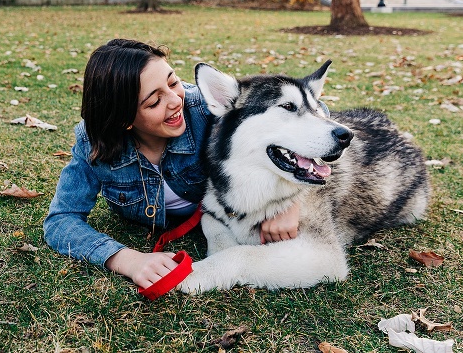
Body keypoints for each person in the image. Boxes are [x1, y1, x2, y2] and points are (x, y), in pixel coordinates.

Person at [44, 39, 300, 290]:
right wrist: (125, 259)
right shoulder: (93, 143)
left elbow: (312, 113)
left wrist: (292, 197)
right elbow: (61, 221)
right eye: (154, 101)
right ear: (124, 120)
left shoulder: (205, 107)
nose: (176, 100)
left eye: (172, 81)